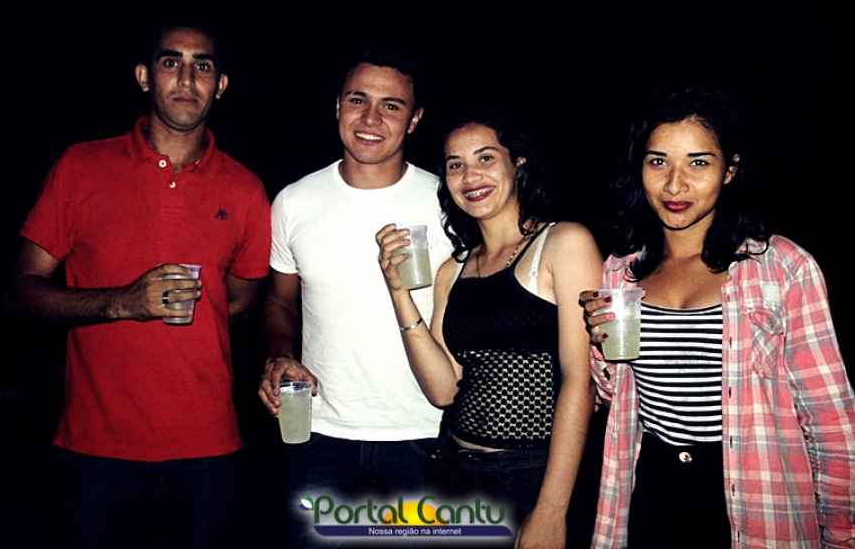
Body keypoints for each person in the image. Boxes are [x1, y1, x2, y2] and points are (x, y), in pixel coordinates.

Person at [15, 23, 271, 548]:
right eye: (170, 62)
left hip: (208, 450)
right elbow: (24, 288)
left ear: (220, 85)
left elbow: (240, 301)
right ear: (143, 76)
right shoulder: (81, 166)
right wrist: (121, 303)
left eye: (202, 66)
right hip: (94, 448)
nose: (186, 79)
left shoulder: (246, 189)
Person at [581, 87, 855, 547]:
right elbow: (614, 395)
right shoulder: (620, 272)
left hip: (753, 495)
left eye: (698, 163)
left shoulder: (781, 268)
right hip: (652, 492)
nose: (675, 185)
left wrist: (842, 534)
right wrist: (600, 344)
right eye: (658, 162)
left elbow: (830, 420)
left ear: (729, 170)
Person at [375, 108, 603, 548]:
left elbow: (581, 380)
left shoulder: (563, 243)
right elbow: (443, 389)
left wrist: (551, 509)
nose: (470, 176)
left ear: (517, 162)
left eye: (485, 158)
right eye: (455, 165)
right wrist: (398, 292)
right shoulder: (453, 269)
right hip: (454, 471)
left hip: (532, 475)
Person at [256, 49, 451, 542]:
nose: (370, 118)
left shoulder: (448, 201)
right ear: (337, 106)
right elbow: (280, 301)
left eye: (391, 106)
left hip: (425, 432)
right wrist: (280, 354)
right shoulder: (294, 201)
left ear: (414, 120)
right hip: (319, 432)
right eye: (358, 100)